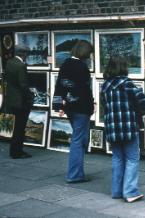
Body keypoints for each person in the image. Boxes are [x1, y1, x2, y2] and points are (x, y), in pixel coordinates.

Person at [101, 56, 145, 203]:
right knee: (132, 159)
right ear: (124, 67)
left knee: (117, 158)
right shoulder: (127, 84)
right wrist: (139, 112)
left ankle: (116, 191)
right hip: (129, 128)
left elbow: (105, 106)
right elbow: (143, 100)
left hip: (112, 129)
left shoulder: (105, 86)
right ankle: (130, 192)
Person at [53, 40, 94, 183]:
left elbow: (59, 86)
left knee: (80, 139)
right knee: (78, 140)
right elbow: (85, 91)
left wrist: (58, 106)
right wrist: (91, 108)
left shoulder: (65, 64)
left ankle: (77, 173)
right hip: (81, 109)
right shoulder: (82, 67)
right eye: (89, 53)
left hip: (70, 108)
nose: (90, 56)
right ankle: (74, 175)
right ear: (84, 52)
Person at [3, 44, 34, 159]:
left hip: (12, 100)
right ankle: (17, 152)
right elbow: (24, 86)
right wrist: (31, 96)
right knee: (20, 128)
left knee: (15, 128)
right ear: (23, 54)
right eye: (27, 53)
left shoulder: (9, 62)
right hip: (21, 102)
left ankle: (14, 151)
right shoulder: (21, 66)